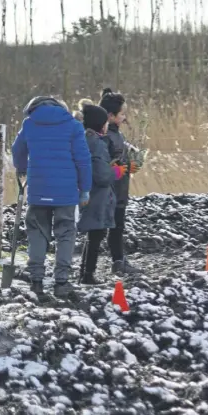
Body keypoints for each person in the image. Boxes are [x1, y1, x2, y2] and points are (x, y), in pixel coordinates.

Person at [11, 96, 92, 297]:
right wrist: (85, 189)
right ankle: (61, 282)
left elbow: (16, 150)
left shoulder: (29, 124)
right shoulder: (73, 126)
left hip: (38, 189)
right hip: (66, 191)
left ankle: (36, 280)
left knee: (37, 232)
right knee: (66, 233)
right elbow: (83, 160)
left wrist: (22, 169)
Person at [77, 103, 127, 285]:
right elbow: (102, 175)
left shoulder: (86, 140)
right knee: (96, 235)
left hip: (92, 194)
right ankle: (88, 275)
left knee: (94, 235)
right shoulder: (97, 144)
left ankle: (84, 272)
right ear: (101, 124)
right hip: (98, 197)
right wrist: (116, 171)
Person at [99, 88, 140, 274]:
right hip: (110, 191)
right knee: (108, 229)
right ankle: (112, 262)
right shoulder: (105, 135)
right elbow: (103, 164)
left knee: (118, 226)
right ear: (111, 115)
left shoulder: (117, 134)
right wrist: (120, 169)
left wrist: (130, 164)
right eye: (122, 114)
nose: (124, 117)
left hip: (119, 188)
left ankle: (118, 260)